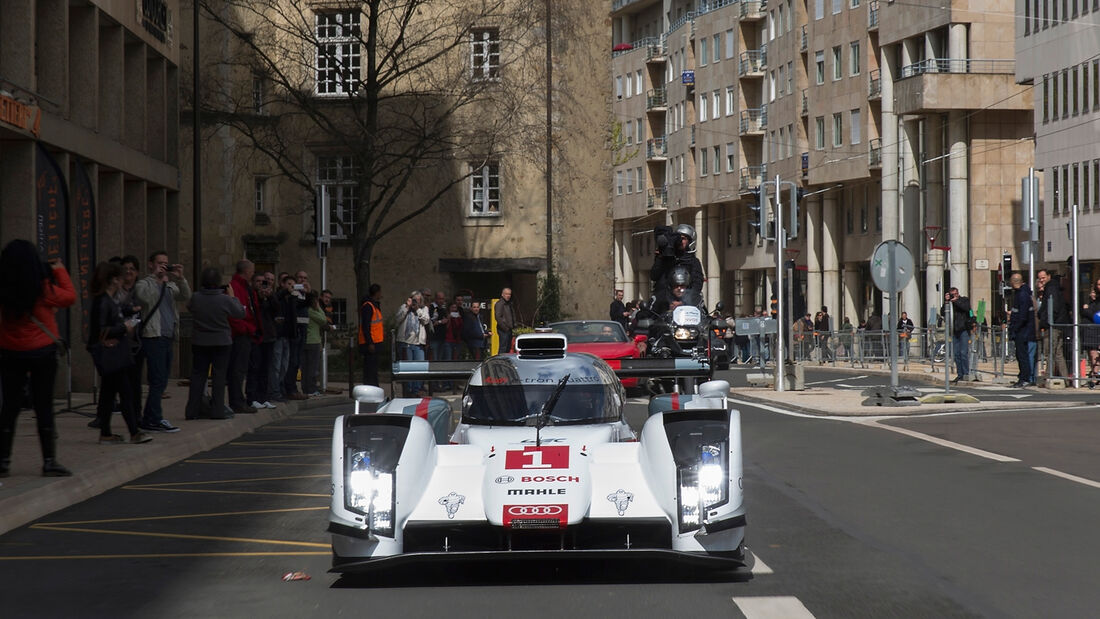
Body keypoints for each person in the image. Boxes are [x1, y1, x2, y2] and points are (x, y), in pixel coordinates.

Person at [0, 241, 77, 477]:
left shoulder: (4, 288)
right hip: (42, 350)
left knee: (10, 406)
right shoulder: (42, 288)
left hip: (10, 350)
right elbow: (70, 297)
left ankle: (3, 460)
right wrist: (59, 269)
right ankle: (49, 460)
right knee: (44, 405)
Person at [88, 261, 151, 444]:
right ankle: (134, 431)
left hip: (113, 353)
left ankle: (106, 432)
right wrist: (123, 327)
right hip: (111, 353)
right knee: (125, 391)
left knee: (108, 394)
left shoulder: (109, 300)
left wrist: (127, 313)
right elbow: (101, 329)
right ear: (114, 280)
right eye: (119, 278)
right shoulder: (103, 301)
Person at [134, 250, 190, 433]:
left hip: (168, 335)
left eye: (166, 263)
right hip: (153, 336)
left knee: (162, 380)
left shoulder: (170, 285)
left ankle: (150, 417)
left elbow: (185, 296)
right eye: (159, 263)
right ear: (151, 264)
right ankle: (154, 418)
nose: (163, 266)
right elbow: (146, 299)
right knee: (157, 379)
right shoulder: (144, 283)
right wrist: (158, 280)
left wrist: (180, 278)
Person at [185, 267, 244, 420]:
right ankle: (217, 411)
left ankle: (192, 410)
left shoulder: (196, 297)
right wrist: (233, 297)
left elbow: (190, 308)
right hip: (221, 342)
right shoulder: (224, 299)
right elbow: (240, 313)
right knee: (219, 376)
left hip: (200, 341)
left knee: (198, 376)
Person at [227, 260, 261, 415]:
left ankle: (240, 400)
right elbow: (235, 313)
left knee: (242, 369)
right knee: (237, 369)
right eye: (252, 271)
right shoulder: (236, 286)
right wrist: (245, 329)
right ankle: (236, 401)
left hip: (248, 332)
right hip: (241, 334)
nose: (253, 273)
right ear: (246, 271)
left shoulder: (247, 287)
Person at [650, 224, 704, 308]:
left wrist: (684, 302)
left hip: (688, 305)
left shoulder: (694, 262)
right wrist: (660, 257)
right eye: (678, 238)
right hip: (664, 305)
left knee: (706, 316)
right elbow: (654, 276)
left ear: (690, 241)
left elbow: (697, 285)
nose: (680, 241)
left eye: (683, 239)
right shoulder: (665, 259)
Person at [248, 271, 277, 409]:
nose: (261, 284)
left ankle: (263, 397)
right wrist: (259, 298)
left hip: (269, 336)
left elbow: (276, 310)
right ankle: (252, 397)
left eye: (263, 282)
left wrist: (270, 297)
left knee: (266, 369)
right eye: (258, 281)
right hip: (257, 337)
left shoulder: (268, 297)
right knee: (255, 368)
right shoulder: (252, 297)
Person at [395, 291, 431, 395]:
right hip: (405, 342)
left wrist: (417, 310)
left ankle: (417, 390)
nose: (415, 302)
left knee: (419, 368)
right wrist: (407, 307)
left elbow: (426, 320)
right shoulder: (404, 307)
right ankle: (408, 391)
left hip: (418, 344)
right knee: (407, 368)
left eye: (418, 300)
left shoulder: (424, 309)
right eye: (414, 299)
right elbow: (398, 319)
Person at [1037, 268, 1069, 377]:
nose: (1041, 280)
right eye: (1040, 278)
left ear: (1049, 276)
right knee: (1058, 353)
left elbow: (1053, 307)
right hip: (1058, 324)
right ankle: (1064, 377)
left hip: (1053, 325)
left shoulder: (1051, 288)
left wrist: (1046, 320)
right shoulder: (1053, 287)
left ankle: (1048, 376)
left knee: (1050, 352)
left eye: (1043, 278)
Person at [1007, 273, 1036, 387]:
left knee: (1022, 355)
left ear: (1014, 282)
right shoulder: (1021, 293)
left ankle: (1025, 378)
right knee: (1021, 355)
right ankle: (1023, 376)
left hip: (1023, 331)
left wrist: (1015, 328)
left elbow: (1022, 315)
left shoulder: (1022, 295)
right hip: (1022, 329)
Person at [302, 290, 331, 396]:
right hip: (313, 341)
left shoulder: (306, 310)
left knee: (307, 367)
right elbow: (323, 319)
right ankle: (310, 389)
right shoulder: (311, 310)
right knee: (312, 368)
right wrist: (318, 307)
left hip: (309, 340)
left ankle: (307, 388)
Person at [942, 287, 972, 382]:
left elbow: (966, 308)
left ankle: (966, 374)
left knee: (963, 353)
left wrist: (956, 301)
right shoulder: (949, 303)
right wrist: (946, 302)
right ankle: (960, 374)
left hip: (963, 330)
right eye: (952, 294)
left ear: (958, 293)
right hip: (954, 331)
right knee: (956, 354)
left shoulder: (964, 300)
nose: (953, 296)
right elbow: (943, 312)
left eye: (955, 294)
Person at [358, 284, 383, 386]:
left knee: (373, 369)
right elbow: (366, 326)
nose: (381, 294)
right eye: (380, 292)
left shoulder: (373, 305)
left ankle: (373, 386)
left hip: (375, 342)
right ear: (376, 293)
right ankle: (371, 387)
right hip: (370, 343)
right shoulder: (368, 306)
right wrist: (370, 343)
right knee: (370, 369)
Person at [1080, 279, 1100, 380]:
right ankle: (1095, 373)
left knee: (1094, 354)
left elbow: (1095, 315)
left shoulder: (1094, 305)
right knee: (1091, 354)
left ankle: (1095, 374)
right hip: (1088, 331)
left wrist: (1086, 310)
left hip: (1095, 331)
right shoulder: (1091, 303)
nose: (1092, 295)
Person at [494, 287, 515, 354]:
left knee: (507, 348)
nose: (508, 296)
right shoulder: (500, 303)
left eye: (509, 294)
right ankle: (500, 362)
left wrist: (513, 325)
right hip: (503, 329)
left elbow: (512, 315)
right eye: (506, 294)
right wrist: (505, 328)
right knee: (503, 347)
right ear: (502, 294)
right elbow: (498, 317)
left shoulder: (508, 303)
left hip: (508, 329)